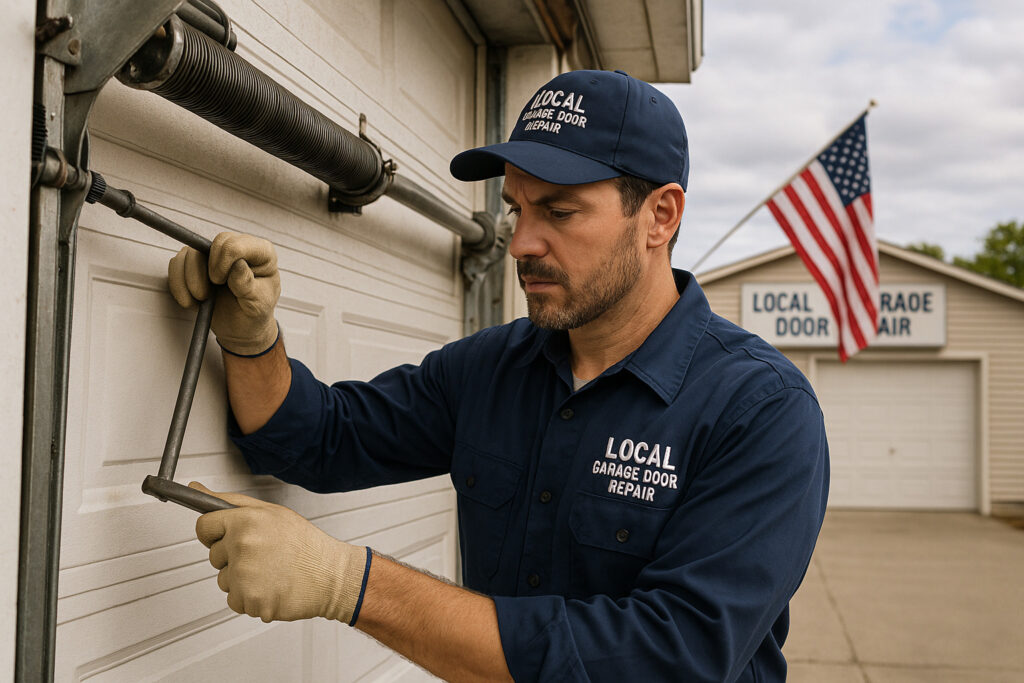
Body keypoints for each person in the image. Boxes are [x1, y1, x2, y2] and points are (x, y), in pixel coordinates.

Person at [168, 69, 829, 682]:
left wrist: (350, 583)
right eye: (517, 208)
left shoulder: (760, 410)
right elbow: (320, 439)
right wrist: (252, 340)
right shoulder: (491, 368)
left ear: (660, 216)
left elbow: (667, 657)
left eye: (559, 212)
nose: (520, 243)